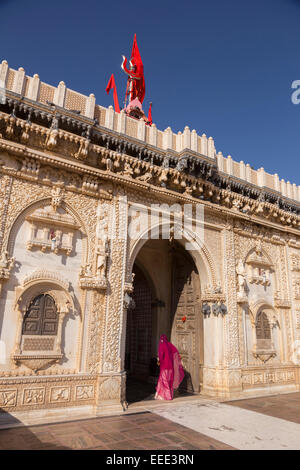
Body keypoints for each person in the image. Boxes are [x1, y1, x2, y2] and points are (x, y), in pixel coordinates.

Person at [154, 334, 185, 401]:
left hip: (164, 367)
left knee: (164, 381)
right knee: (168, 380)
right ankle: (159, 394)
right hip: (170, 368)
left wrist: (159, 360)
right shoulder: (169, 345)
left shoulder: (162, 345)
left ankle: (167, 396)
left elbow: (161, 355)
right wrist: (179, 362)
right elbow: (176, 352)